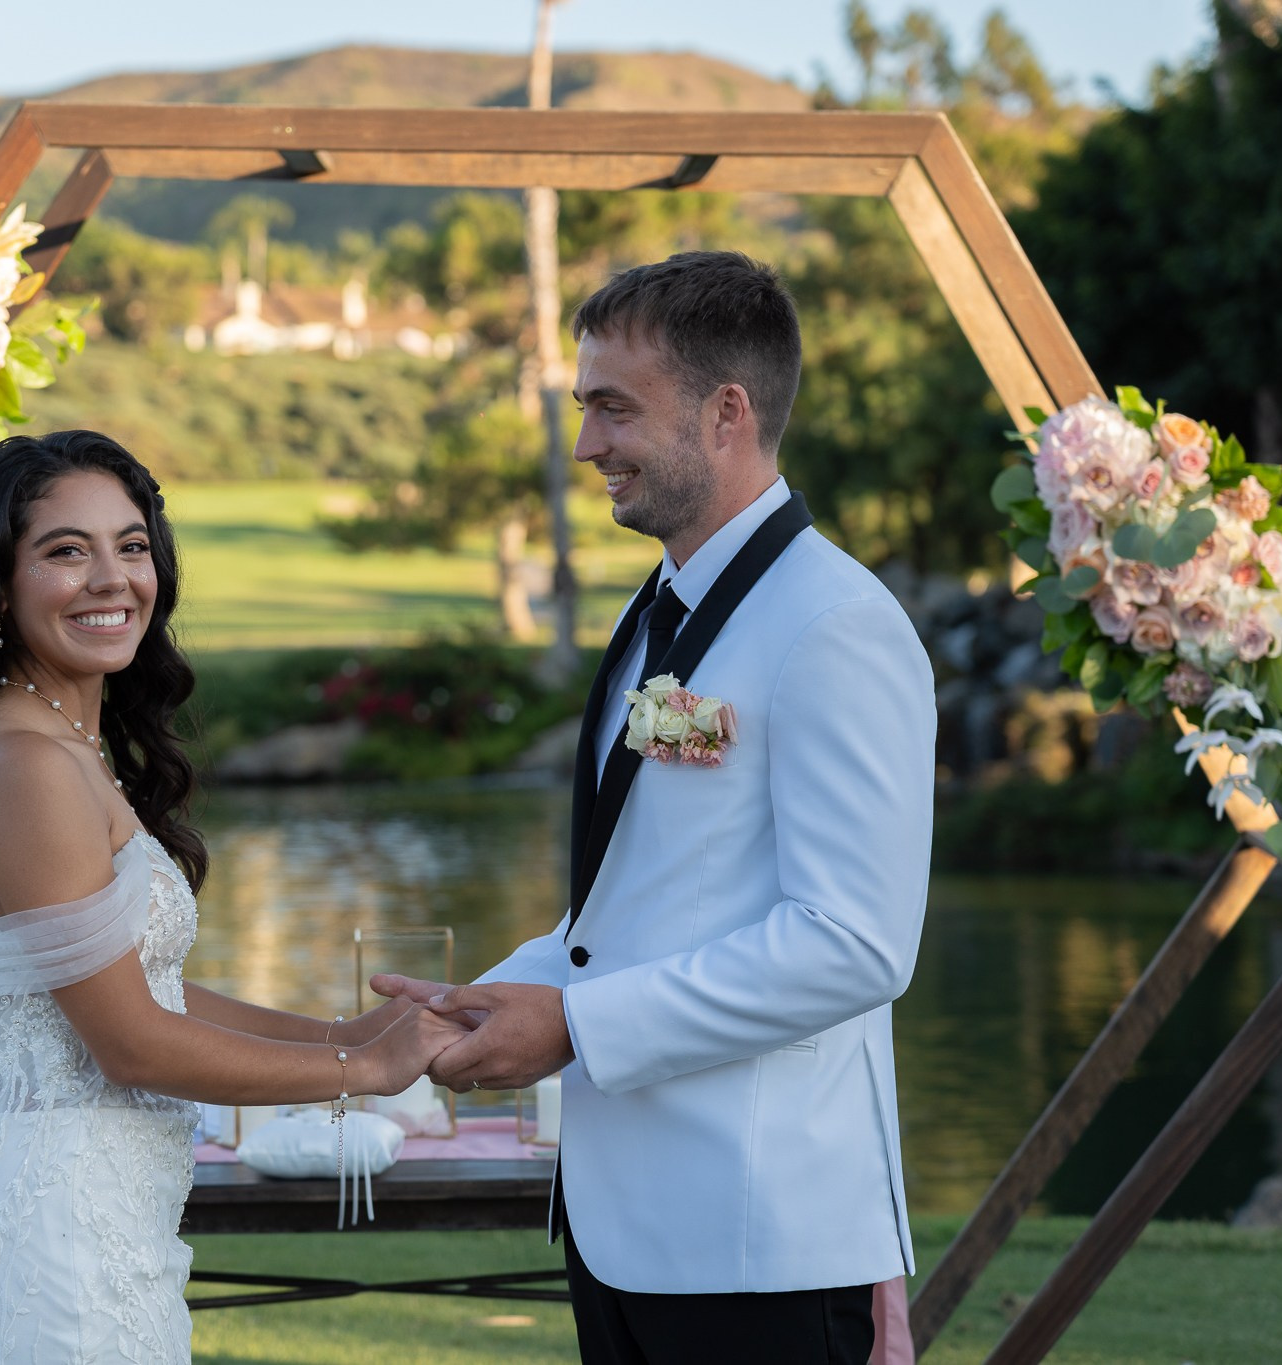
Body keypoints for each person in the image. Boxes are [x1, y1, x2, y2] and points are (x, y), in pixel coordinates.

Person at [375, 251, 936, 1365]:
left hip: (755, 1239)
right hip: (625, 1229)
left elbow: (854, 946)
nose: (586, 445)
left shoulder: (834, 625)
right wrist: (498, 996)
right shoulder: (658, 609)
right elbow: (646, 897)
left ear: (725, 413)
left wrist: (574, 1028)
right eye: (585, 409)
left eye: (612, 410)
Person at [0, 429, 462, 1364]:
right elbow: (130, 1041)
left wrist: (345, 1033)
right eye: (66, 551)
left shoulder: (67, 746)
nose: (112, 579)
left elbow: (144, 991)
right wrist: (365, 1074)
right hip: (50, 1256)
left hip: (100, 1238)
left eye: (131, 546)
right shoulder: (24, 764)